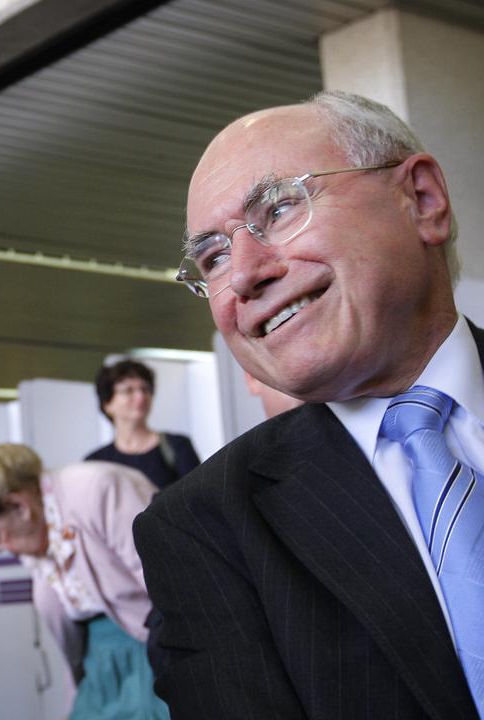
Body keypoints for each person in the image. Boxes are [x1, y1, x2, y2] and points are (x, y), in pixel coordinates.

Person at [133, 90, 481, 718]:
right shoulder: (202, 528)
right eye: (212, 256)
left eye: (280, 208)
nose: (243, 274)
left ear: (422, 200)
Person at [0, 444, 168, 719]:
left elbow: (174, 586)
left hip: (159, 648)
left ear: (18, 505)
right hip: (101, 666)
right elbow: (74, 649)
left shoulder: (98, 489)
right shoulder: (37, 540)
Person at [85, 359, 200, 489]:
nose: (140, 397)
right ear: (107, 404)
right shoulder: (95, 462)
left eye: (145, 389)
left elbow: (198, 498)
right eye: (128, 390)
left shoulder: (177, 445)